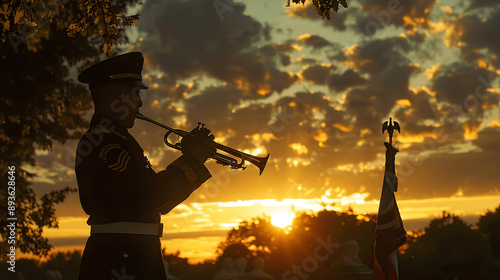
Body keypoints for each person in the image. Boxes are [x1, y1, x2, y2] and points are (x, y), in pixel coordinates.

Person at [75, 52, 215, 279]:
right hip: (122, 257)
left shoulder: (120, 139)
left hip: (132, 252)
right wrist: (191, 159)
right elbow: (152, 196)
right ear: (109, 95)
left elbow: (160, 205)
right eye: (134, 93)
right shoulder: (104, 143)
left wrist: (192, 160)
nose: (140, 102)